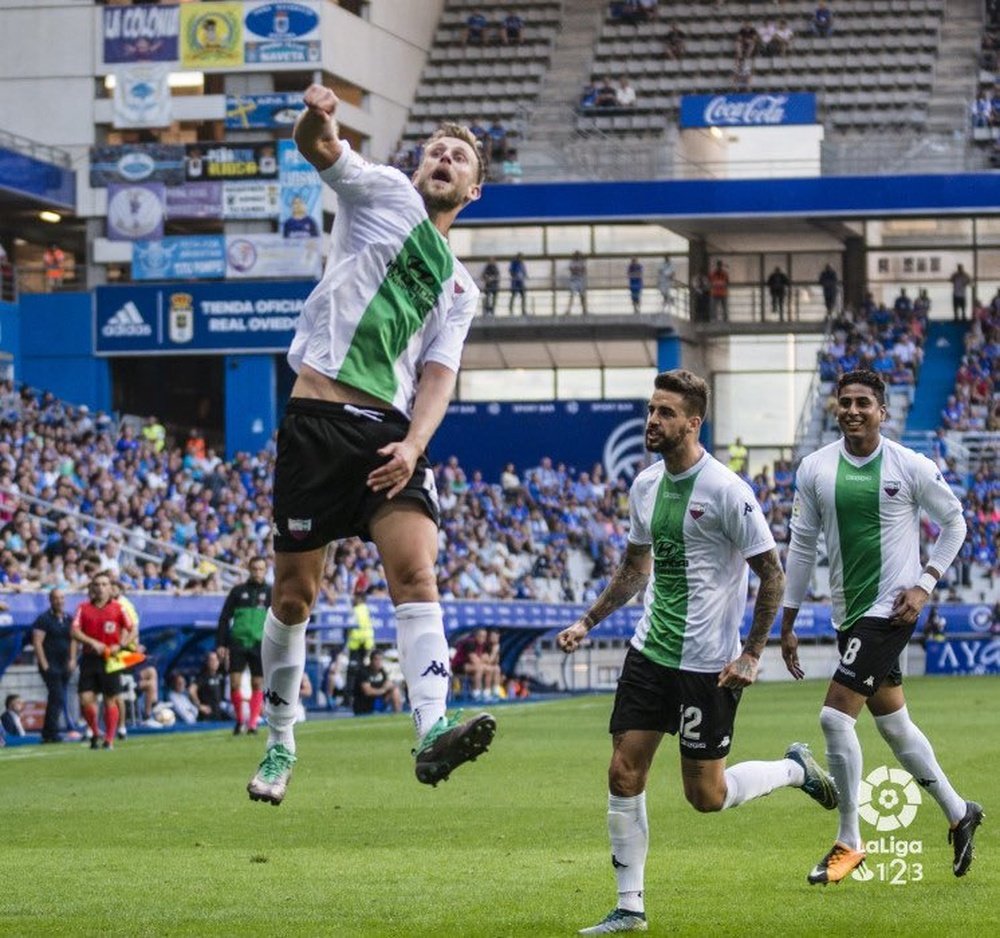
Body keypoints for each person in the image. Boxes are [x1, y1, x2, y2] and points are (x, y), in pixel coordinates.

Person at [247, 83, 495, 806]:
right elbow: (317, 149)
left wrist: (415, 446)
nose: (445, 159)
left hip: (387, 436)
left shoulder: (460, 289)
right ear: (419, 167)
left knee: (416, 573)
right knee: (295, 597)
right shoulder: (383, 194)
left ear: (474, 190)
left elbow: (438, 377)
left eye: (460, 158)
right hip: (317, 423)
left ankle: (431, 730)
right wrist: (320, 115)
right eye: (437, 151)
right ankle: (280, 740)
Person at [558, 369, 836, 935]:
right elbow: (636, 568)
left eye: (664, 412)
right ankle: (630, 908)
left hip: (708, 665)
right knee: (622, 772)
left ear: (692, 422)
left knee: (705, 796)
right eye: (651, 409)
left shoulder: (728, 491)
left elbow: (772, 575)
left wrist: (752, 653)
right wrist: (588, 620)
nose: (652, 421)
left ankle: (792, 769)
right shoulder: (644, 485)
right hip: (649, 654)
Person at [780, 369, 983, 885]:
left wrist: (925, 584)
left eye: (863, 403)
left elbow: (956, 523)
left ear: (882, 412)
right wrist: (788, 616)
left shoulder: (910, 465)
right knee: (893, 726)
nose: (852, 410)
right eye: (844, 401)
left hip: (890, 612)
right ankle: (960, 813)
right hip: (847, 614)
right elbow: (802, 545)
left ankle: (849, 841)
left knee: (833, 719)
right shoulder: (815, 468)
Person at [70, 572, 134, 750]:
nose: (100, 588)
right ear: (92, 588)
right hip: (90, 657)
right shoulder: (83, 608)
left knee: (110, 699)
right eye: (97, 584)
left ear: (110, 588)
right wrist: (92, 642)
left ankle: (109, 739)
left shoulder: (118, 608)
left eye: (104, 584)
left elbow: (132, 628)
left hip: (110, 659)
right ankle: (95, 731)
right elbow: (74, 631)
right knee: (85, 698)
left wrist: (120, 645)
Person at [217, 555, 270, 735]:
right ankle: (240, 720)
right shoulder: (238, 591)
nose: (257, 572)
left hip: (259, 643)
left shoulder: (271, 593)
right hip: (238, 642)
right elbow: (225, 618)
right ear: (249, 569)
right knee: (234, 683)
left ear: (265, 570)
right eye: (255, 569)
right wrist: (221, 643)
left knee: (257, 683)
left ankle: (253, 723)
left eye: (261, 569)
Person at [31, 587, 76, 742]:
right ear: (51, 600)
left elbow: (73, 640)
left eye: (62, 598)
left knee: (57, 697)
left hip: (64, 664)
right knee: (56, 696)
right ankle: (51, 732)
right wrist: (44, 665)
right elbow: (37, 642)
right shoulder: (43, 619)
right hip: (50, 664)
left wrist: (72, 659)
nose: (59, 601)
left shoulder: (69, 618)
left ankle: (49, 732)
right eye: (56, 598)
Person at [344, 590, 375, 709]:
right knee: (362, 672)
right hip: (366, 644)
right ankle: (360, 697)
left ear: (359, 598)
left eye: (355, 597)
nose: (353, 599)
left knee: (352, 673)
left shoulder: (356, 610)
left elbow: (349, 625)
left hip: (356, 645)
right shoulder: (367, 609)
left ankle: (348, 699)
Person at [352, 649, 403, 714]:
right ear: (371, 660)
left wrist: (390, 686)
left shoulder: (382, 671)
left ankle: (398, 714)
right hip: (363, 704)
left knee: (395, 690)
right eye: (376, 659)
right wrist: (383, 690)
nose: (379, 662)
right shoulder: (363, 672)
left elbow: (387, 684)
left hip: (377, 701)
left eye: (381, 660)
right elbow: (368, 691)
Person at [450, 627, 490, 700]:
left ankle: (487, 694)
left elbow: (489, 660)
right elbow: (475, 661)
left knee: (492, 669)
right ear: (476, 636)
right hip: (458, 666)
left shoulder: (484, 644)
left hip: (470, 665)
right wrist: (483, 659)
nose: (483, 638)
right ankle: (476, 694)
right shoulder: (470, 643)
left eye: (484, 637)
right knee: (479, 668)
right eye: (481, 636)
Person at [190, 650, 229, 721]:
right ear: (207, 662)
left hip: (219, 714)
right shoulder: (203, 676)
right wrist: (199, 706)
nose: (214, 662)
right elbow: (191, 690)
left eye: (216, 660)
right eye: (211, 660)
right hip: (207, 716)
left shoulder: (220, 674)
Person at [566, 251, 588, 315]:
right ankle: (569, 310)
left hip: (580, 280)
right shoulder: (572, 262)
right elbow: (572, 270)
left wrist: (577, 270)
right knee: (572, 295)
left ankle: (584, 310)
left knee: (582, 296)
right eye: (576, 256)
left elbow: (584, 270)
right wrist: (578, 270)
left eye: (578, 256)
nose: (577, 257)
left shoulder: (582, 262)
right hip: (574, 280)